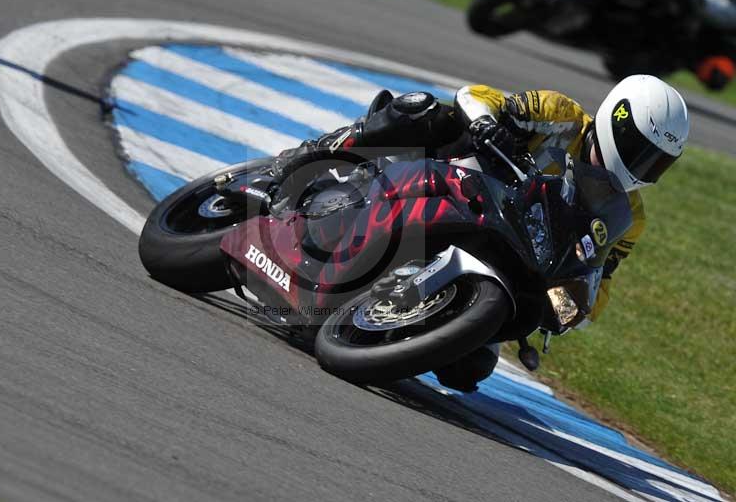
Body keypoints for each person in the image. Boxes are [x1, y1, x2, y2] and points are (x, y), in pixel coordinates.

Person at [274, 75, 689, 392]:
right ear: (617, 120)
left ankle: (382, 320)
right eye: (641, 150)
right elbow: (475, 96)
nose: (644, 166)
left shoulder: (631, 218)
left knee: (469, 370)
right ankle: (322, 150)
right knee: (426, 112)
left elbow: (601, 276)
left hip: (510, 258)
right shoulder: (560, 115)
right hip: (459, 183)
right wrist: (488, 125)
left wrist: (573, 307)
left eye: (658, 163)